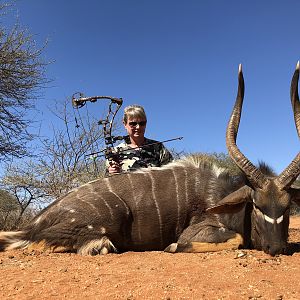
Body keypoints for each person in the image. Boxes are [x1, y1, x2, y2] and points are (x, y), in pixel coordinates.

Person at [106, 105, 173, 174]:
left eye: (142, 123)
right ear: (125, 124)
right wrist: (111, 171)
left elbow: (172, 172)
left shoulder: (158, 147)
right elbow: (109, 180)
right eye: (133, 124)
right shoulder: (116, 152)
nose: (138, 127)